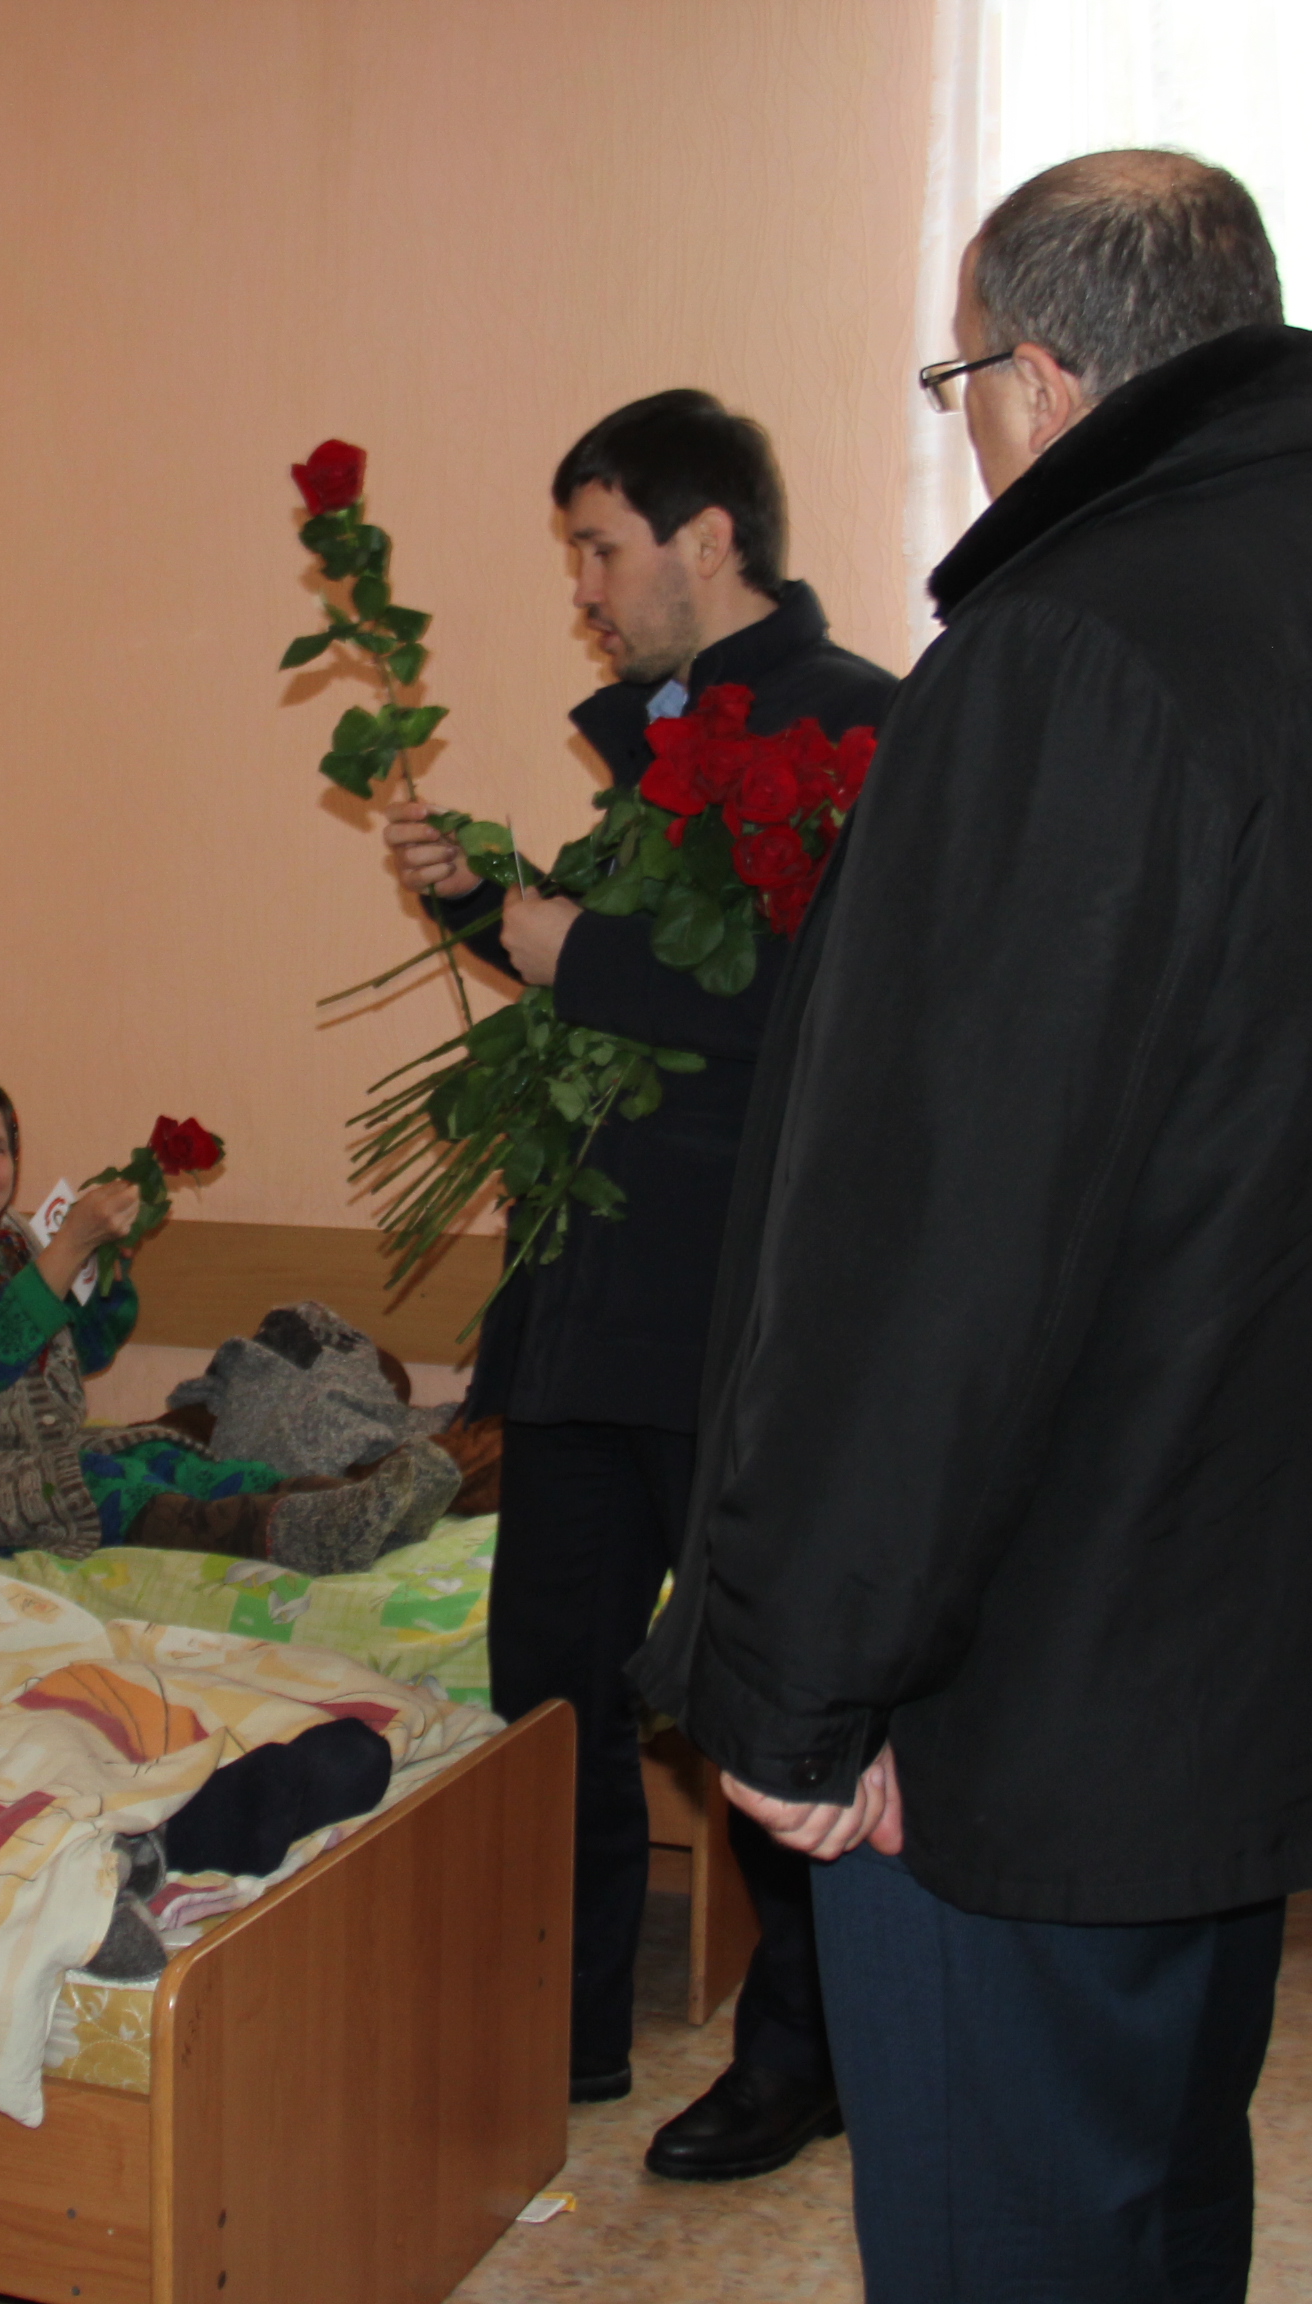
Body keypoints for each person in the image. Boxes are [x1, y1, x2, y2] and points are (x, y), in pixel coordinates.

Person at [635, 152, 1312, 2300]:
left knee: (1010, 2237)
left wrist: (801, 1680)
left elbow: (940, 1237)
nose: (967, 425)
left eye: (960, 381)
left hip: (1024, 1703)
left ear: (1045, 378)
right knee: (1157, 2207)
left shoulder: (1067, 656)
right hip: (1245, 1671)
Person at [380, 390, 895, 2176]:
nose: (584, 591)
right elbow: (640, 983)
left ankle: (801, 2056)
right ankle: (568, 2023)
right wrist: (486, 905)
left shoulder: (866, 727)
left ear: (708, 537)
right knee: (549, 1690)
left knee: (756, 1698)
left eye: (601, 550)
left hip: (736, 1313)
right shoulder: (664, 745)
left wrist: (570, 947)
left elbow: (818, 1009)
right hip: (590, 1299)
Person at [0, 1078, 457, 1574]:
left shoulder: (4, 1238)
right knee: (95, 1490)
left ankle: (354, 1504)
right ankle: (303, 1533)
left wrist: (110, 1265)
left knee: (155, 1456)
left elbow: (84, 1349)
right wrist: (69, 1247)